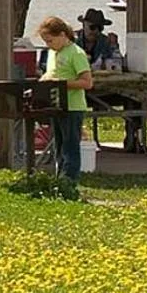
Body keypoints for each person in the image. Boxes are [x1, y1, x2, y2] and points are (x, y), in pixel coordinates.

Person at [77, 8, 147, 153]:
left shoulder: (105, 41)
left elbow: (116, 64)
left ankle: (134, 138)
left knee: (133, 96)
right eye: (92, 27)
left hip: (105, 90)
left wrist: (115, 46)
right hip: (81, 91)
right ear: (84, 25)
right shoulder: (73, 43)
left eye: (100, 28)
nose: (95, 31)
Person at [38, 16, 92, 181]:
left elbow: (87, 82)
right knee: (58, 146)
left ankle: (69, 180)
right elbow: (51, 73)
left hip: (73, 106)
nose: (48, 45)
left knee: (70, 147)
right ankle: (59, 177)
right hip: (57, 105)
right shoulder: (53, 53)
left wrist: (62, 84)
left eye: (50, 40)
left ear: (62, 35)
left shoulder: (76, 53)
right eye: (46, 42)